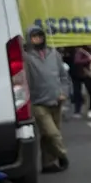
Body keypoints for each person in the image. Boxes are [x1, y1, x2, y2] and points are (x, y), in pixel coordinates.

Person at [24, 26, 71, 173]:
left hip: (56, 100)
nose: (37, 39)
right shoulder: (26, 57)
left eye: (40, 36)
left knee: (47, 136)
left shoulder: (54, 54)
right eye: (34, 37)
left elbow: (64, 76)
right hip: (38, 103)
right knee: (52, 133)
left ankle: (48, 164)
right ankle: (62, 155)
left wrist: (64, 92)